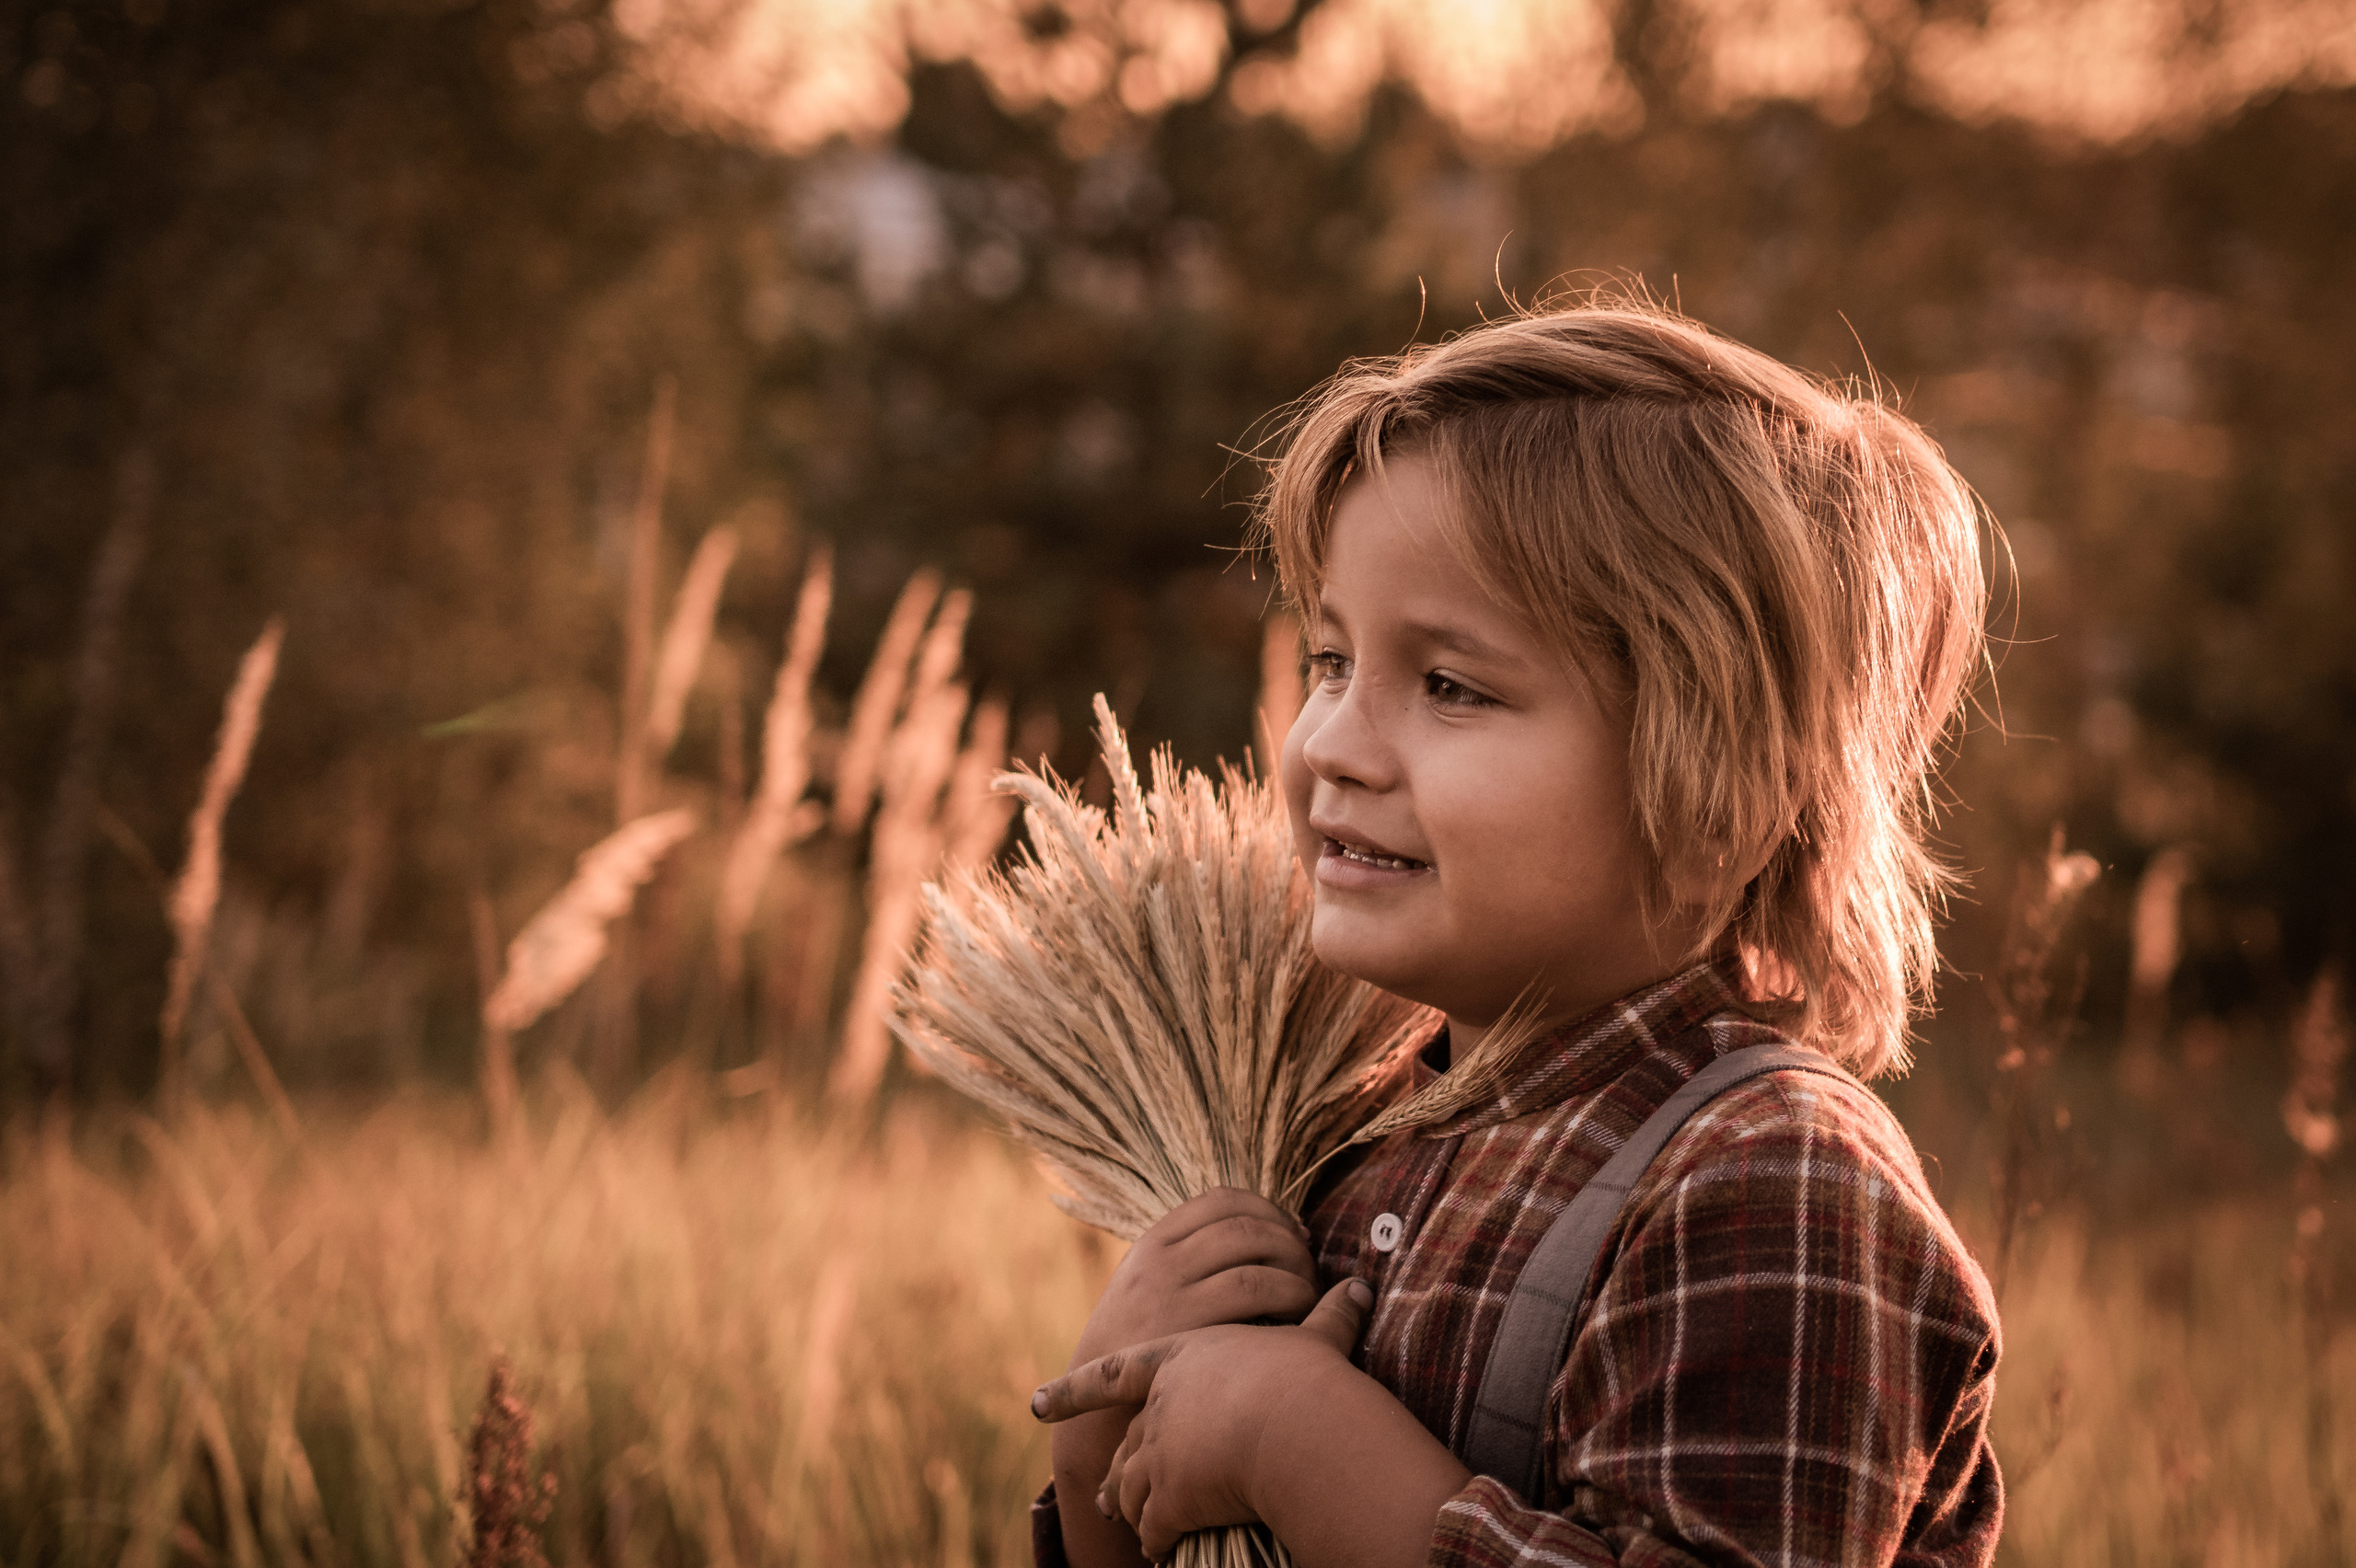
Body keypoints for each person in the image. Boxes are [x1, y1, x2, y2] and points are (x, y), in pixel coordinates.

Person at [1026, 299, 2004, 1568]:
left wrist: (1295, 1439)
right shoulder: (1343, 1136)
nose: (1326, 744)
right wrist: (1102, 1470)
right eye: (1328, 661)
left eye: (1448, 686)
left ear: (1717, 793)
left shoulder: (1774, 1190)